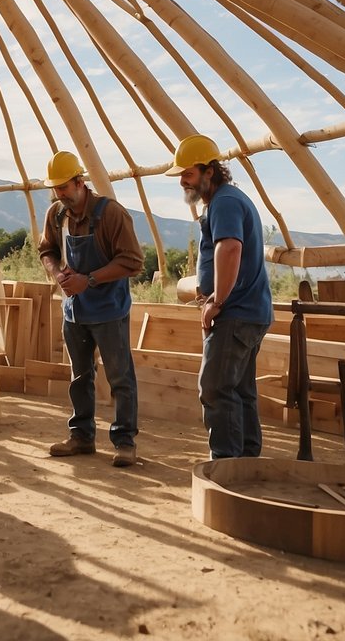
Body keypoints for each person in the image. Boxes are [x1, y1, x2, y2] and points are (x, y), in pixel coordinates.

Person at [166, 134, 272, 460]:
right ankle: (247, 462)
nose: (182, 180)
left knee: (214, 388)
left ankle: (226, 466)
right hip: (251, 311)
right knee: (241, 390)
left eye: (188, 173)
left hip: (236, 313)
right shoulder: (227, 199)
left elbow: (230, 248)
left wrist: (217, 301)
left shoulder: (224, 202)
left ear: (209, 171)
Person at [38, 152, 143, 467]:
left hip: (109, 310)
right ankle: (82, 437)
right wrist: (58, 275)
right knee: (79, 376)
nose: (60, 195)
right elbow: (47, 250)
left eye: (64, 188)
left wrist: (90, 279)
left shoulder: (112, 214)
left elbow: (133, 262)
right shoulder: (57, 214)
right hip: (74, 311)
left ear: (80, 182)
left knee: (120, 377)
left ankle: (125, 442)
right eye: (55, 189)